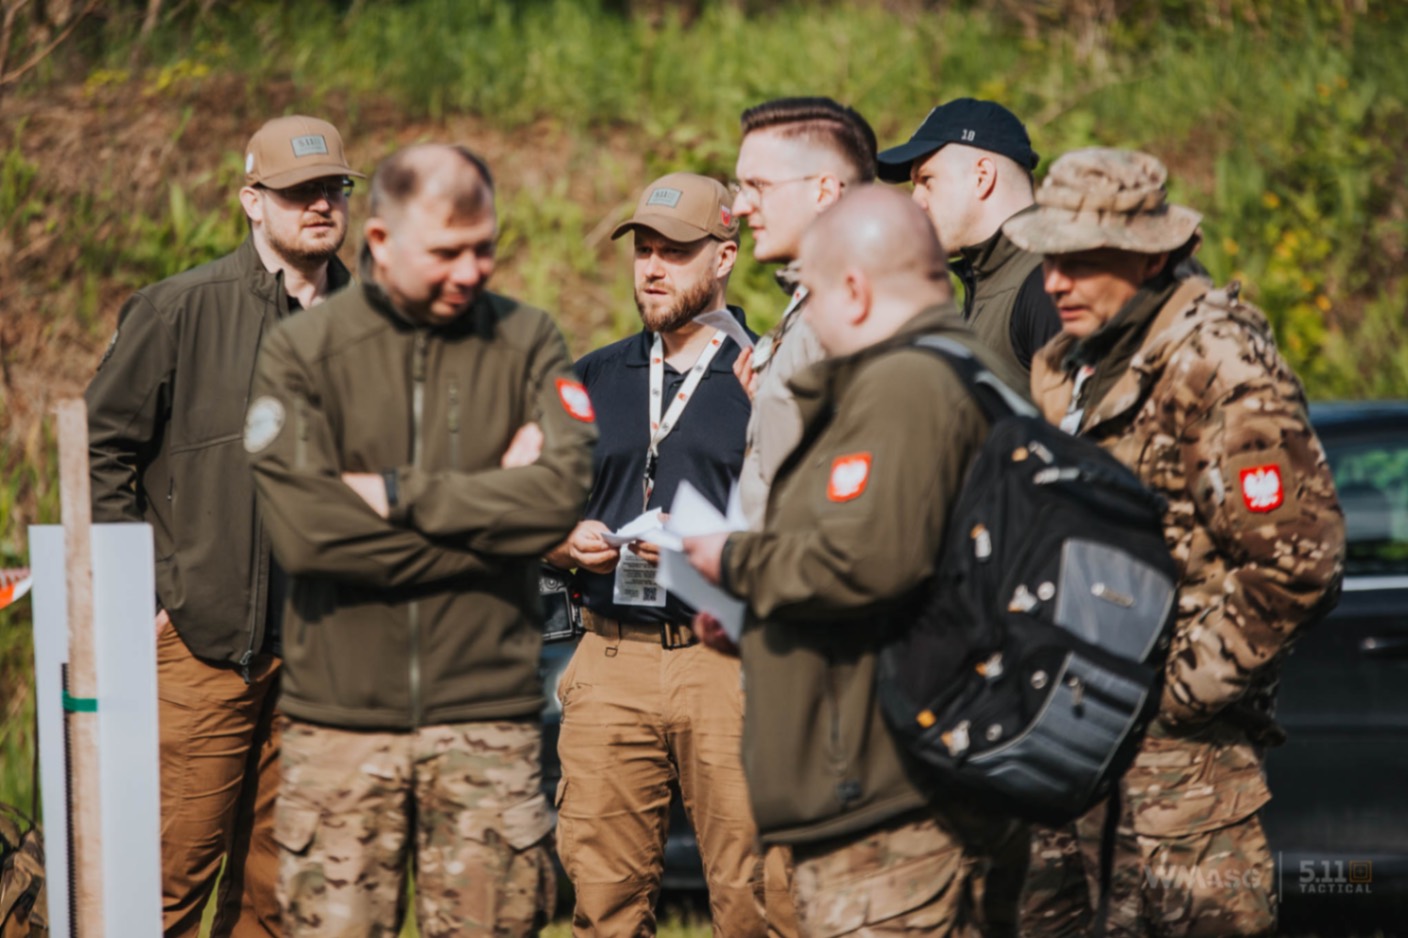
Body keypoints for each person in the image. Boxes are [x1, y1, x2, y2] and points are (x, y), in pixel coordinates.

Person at [245, 143, 596, 937]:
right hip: (339, 728)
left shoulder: (529, 342)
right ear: (379, 243)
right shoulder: (304, 352)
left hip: (488, 725)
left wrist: (392, 494)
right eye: (446, 252)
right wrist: (491, 507)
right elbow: (305, 536)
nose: (471, 271)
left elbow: (556, 503)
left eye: (485, 248)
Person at [1004, 147, 1345, 937]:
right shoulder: (1064, 364)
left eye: (1083, 260)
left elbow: (1299, 565)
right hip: (1064, 741)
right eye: (1051, 258)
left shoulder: (1220, 363)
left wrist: (1171, 697)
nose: (1055, 282)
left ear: (1152, 254)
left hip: (1178, 778)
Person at [683, 186, 1027, 937]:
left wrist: (732, 561)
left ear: (856, 291)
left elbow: (864, 561)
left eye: (808, 295)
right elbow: (912, 573)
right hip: (913, 781)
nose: (806, 322)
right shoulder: (964, 373)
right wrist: (760, 616)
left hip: (893, 809)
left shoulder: (906, 384)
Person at [85, 114, 360, 937]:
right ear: (252, 200)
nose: (319, 205)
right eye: (297, 192)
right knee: (163, 885)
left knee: (280, 903)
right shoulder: (178, 310)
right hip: (202, 651)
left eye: (333, 189)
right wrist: (149, 599)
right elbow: (102, 451)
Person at [544, 173, 767, 936]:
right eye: (644, 250)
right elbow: (533, 506)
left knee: (757, 896)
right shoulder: (595, 376)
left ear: (726, 256)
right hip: (611, 659)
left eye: (675, 251)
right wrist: (564, 542)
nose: (653, 268)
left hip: (728, 661)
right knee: (602, 903)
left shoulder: (766, 376)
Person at [729, 96, 878, 529]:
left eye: (758, 185)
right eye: (740, 186)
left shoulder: (854, 313)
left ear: (824, 192)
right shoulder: (817, 302)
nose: (739, 206)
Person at [877, 97, 1060, 376]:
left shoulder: (1049, 283)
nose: (916, 201)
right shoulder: (991, 279)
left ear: (982, 177)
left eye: (927, 180)